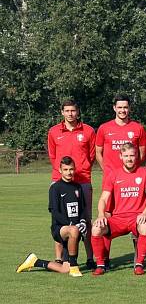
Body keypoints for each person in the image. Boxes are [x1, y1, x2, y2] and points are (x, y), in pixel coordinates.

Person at [91, 143, 146, 276]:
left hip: (136, 218)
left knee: (145, 226)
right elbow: (103, 199)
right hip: (118, 219)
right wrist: (101, 215)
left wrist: (144, 213)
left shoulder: (145, 173)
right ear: (121, 156)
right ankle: (101, 265)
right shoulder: (113, 174)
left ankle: (139, 264)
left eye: (132, 155)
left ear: (137, 156)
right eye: (126, 156)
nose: (129, 159)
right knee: (96, 228)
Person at [16, 157, 87, 277]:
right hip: (59, 229)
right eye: (65, 169)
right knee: (74, 230)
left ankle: (34, 261)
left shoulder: (77, 187)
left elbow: (82, 209)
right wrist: (71, 225)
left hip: (73, 231)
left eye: (71, 169)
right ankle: (74, 267)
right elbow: (54, 212)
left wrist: (83, 222)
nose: (69, 172)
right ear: (60, 170)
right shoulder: (55, 187)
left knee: (65, 269)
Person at [46, 99, 95, 268]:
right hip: (59, 182)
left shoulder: (88, 131)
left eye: (73, 110)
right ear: (62, 112)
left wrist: (81, 169)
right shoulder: (53, 132)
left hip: (82, 182)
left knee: (85, 220)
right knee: (59, 220)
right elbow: (53, 156)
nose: (70, 114)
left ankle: (90, 258)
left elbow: (91, 156)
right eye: (67, 111)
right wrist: (62, 174)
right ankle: (59, 258)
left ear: (78, 111)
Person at [95, 93, 146, 179]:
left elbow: (142, 155)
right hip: (110, 177)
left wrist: (133, 168)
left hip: (131, 177)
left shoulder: (138, 128)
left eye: (125, 107)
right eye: (119, 107)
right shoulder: (104, 128)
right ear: (114, 108)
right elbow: (98, 153)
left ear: (129, 108)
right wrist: (106, 170)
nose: (122, 110)